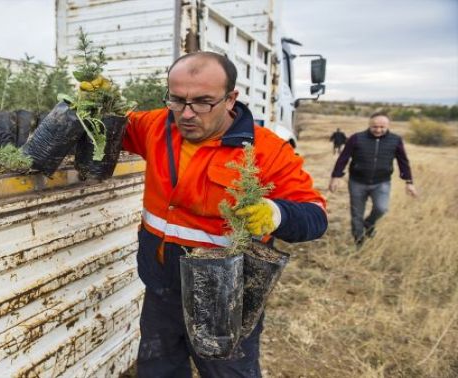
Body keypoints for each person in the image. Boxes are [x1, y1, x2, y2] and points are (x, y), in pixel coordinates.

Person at [122, 52, 327, 378]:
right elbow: (113, 126)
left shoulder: (266, 150)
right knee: (158, 369)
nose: (186, 114)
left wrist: (276, 214)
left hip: (225, 297)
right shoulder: (157, 127)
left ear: (231, 98)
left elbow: (315, 216)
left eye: (203, 102)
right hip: (161, 287)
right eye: (177, 100)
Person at [329, 112, 417, 247]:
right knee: (356, 214)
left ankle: (369, 223)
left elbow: (403, 161)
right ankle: (359, 242)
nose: (378, 130)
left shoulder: (395, 140)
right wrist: (336, 176)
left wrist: (409, 182)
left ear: (388, 126)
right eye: (375, 127)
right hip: (357, 182)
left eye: (382, 127)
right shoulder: (356, 138)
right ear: (369, 125)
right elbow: (343, 158)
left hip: (381, 182)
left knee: (381, 208)